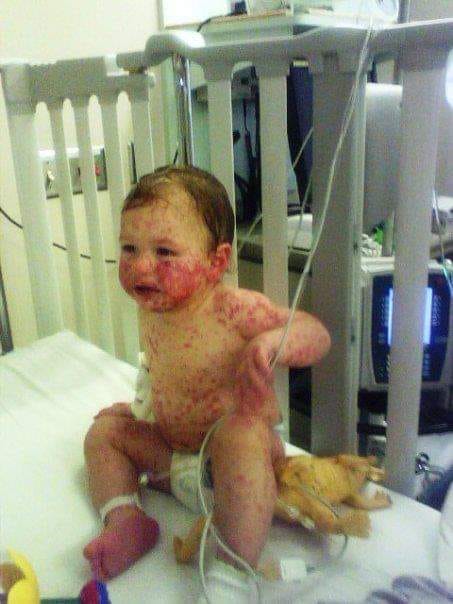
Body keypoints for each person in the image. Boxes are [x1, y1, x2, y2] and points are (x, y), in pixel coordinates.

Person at [83, 165, 331, 596]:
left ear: (216, 262)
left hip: (237, 469)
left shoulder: (232, 310)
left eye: (164, 252)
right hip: (174, 460)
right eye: (129, 248)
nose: (141, 265)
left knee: (240, 436)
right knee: (104, 433)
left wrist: (271, 343)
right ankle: (126, 520)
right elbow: (162, 371)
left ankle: (232, 574)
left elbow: (317, 333)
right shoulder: (154, 307)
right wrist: (141, 409)